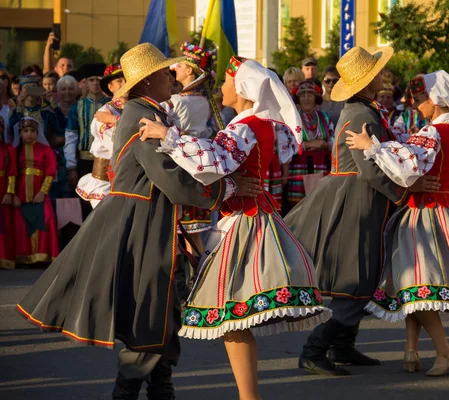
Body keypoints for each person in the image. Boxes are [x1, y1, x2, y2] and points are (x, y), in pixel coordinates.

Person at [16, 42, 263, 400]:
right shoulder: (142, 114)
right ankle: (130, 390)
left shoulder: (147, 110)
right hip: (140, 222)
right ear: (147, 81)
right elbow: (170, 178)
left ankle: (160, 386)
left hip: (150, 219)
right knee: (150, 305)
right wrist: (225, 187)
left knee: (161, 305)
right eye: (165, 72)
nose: (172, 76)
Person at [137, 55, 331, 400]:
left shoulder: (244, 126)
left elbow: (211, 162)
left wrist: (167, 135)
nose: (221, 88)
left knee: (231, 315)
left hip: (245, 222)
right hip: (255, 215)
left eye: (226, 82)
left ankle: (248, 397)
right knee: (234, 318)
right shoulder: (259, 124)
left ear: (240, 89)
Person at [346, 71, 449, 377]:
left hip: (427, 215)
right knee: (413, 286)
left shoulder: (433, 132)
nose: (415, 105)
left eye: (420, 100)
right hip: (434, 210)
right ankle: (411, 350)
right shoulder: (447, 130)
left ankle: (445, 351)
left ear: (436, 100)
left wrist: (372, 146)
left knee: (419, 287)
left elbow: (405, 168)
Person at [285, 46, 417, 376]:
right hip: (356, 198)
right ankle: (314, 350)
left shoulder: (363, 109)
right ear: (365, 82)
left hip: (356, 194)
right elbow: (370, 169)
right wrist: (402, 192)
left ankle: (342, 346)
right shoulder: (362, 114)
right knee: (355, 276)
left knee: (363, 272)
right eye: (374, 75)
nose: (380, 78)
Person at [76, 64, 127, 208]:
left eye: (128, 80)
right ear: (110, 87)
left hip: (125, 183)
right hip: (105, 184)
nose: (125, 84)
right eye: (120, 81)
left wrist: (117, 120)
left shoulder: (132, 110)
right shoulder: (105, 113)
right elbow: (119, 145)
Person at [12, 117, 59, 265]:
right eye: (25, 131)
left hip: (40, 193)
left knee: (47, 218)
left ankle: (43, 256)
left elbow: (50, 172)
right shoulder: (14, 151)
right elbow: (11, 174)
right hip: (20, 194)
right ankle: (23, 257)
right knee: (20, 223)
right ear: (20, 133)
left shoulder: (45, 150)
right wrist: (13, 195)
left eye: (32, 131)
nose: (29, 134)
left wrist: (42, 192)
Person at [64, 63, 109, 213]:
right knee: (84, 204)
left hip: (107, 163)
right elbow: (71, 137)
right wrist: (71, 166)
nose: (95, 83)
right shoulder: (77, 107)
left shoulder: (111, 105)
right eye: (91, 80)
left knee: (105, 203)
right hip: (83, 161)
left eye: (98, 79)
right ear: (86, 83)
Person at [287, 80, 333, 208]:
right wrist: (308, 144)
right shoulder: (292, 119)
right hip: (298, 168)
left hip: (321, 167)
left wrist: (325, 144)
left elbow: (333, 140)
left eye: (310, 95)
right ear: (298, 99)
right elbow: (286, 146)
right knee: (298, 208)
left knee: (320, 205)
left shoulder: (325, 117)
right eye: (302, 95)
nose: (306, 99)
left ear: (316, 98)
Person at [0, 113, 16, 269]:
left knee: (4, 225)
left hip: (2, 187)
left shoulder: (8, 148)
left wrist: (9, 192)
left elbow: (12, 171)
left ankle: (4, 258)